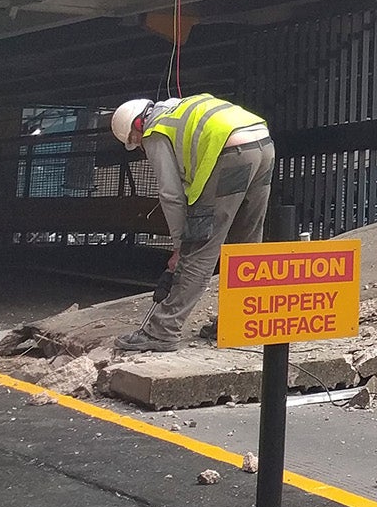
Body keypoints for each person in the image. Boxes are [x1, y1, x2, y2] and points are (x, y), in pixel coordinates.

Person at [110, 94, 276, 354]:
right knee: (246, 245)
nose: (141, 148)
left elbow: (171, 195)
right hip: (263, 145)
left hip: (231, 151)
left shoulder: (155, 129)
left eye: (135, 142)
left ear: (136, 126)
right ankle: (239, 323)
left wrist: (179, 247)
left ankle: (162, 331)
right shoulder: (179, 111)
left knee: (198, 249)